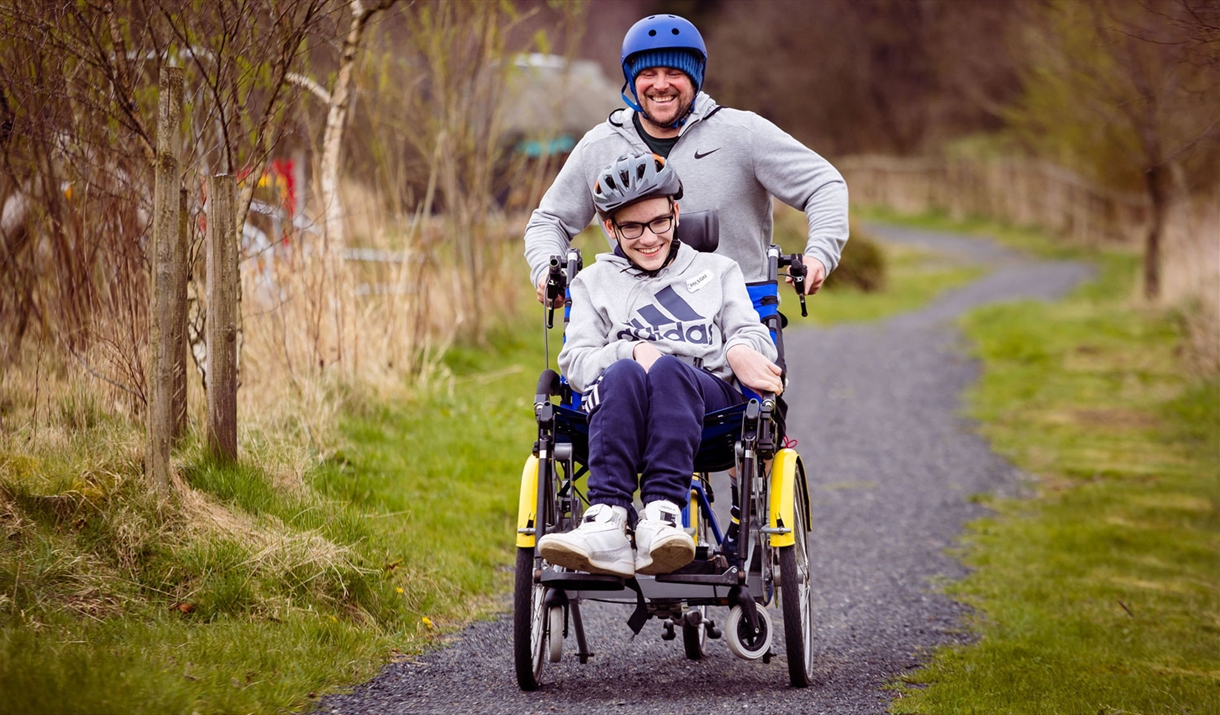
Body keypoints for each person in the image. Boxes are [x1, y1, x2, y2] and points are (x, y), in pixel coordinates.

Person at [536, 152, 782, 579]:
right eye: (631, 226)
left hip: (707, 406)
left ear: (676, 213)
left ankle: (661, 515)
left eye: (659, 222)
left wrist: (739, 348)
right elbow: (575, 362)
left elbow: (753, 333)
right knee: (627, 370)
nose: (648, 237)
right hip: (619, 402)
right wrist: (629, 352)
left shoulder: (718, 270)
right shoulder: (592, 284)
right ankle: (607, 520)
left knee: (668, 369)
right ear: (610, 228)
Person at [524, 13, 849, 307]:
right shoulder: (599, 146)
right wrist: (547, 272)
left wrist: (819, 255)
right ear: (632, 81)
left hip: (737, 311)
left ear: (694, 78)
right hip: (634, 314)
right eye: (648, 73)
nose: (660, 84)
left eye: (674, 72)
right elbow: (549, 222)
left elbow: (824, 185)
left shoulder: (743, 133)